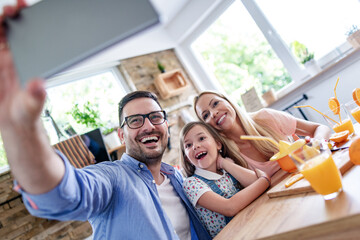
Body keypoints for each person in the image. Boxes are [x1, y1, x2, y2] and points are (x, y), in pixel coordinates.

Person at [0, 4, 211, 240]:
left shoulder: (177, 177)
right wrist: (20, 127)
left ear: (166, 125)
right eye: (134, 120)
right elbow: (63, 193)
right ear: (121, 136)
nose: (148, 126)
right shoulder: (112, 179)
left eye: (155, 117)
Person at [193, 91, 331, 177]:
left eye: (215, 103)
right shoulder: (227, 155)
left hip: (313, 175)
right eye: (206, 115)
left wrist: (316, 144)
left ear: (229, 102)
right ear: (207, 126)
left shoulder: (266, 117)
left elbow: (320, 128)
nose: (213, 113)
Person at [179, 121, 270, 238]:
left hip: (253, 228)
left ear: (218, 144)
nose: (195, 146)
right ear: (187, 158)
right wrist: (265, 179)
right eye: (188, 145)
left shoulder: (227, 171)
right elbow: (229, 207)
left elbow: (254, 182)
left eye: (201, 138)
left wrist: (224, 163)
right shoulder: (191, 184)